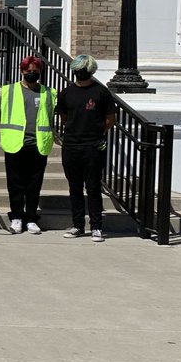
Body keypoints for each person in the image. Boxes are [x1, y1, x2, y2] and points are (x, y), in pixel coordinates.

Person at [56, 54, 115, 242]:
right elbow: (64, 118)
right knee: (75, 188)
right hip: (71, 145)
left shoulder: (101, 92)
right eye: (77, 70)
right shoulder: (66, 93)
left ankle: (96, 226)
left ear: (90, 71)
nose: (79, 73)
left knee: (93, 187)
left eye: (83, 70)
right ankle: (78, 225)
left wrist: (96, 133)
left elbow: (110, 120)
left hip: (93, 145)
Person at [0, 55, 57, 235]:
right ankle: (16, 217)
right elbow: (1, 114)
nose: (32, 73)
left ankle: (31, 218)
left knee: (34, 183)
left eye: (35, 71)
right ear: (22, 71)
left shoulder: (49, 92)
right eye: (28, 71)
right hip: (15, 142)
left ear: (40, 72)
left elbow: (50, 116)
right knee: (15, 183)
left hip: (38, 143)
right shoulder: (9, 90)